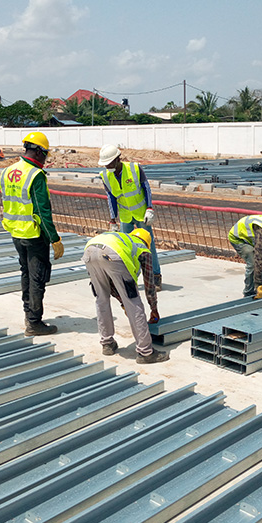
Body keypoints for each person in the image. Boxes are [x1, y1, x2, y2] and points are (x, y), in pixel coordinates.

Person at [0, 131, 64, 336]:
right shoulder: (35, 175)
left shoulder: (8, 171)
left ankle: (28, 314)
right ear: (38, 152)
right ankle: (34, 322)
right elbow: (42, 211)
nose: (45, 159)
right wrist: (54, 239)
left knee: (26, 273)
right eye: (45, 154)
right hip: (33, 234)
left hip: (15, 232)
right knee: (38, 277)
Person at [82, 227, 169, 364]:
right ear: (147, 243)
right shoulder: (143, 249)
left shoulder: (124, 239)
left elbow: (111, 285)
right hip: (113, 254)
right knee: (134, 303)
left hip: (89, 250)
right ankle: (145, 352)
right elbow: (149, 284)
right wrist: (153, 308)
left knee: (101, 299)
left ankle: (107, 344)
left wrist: (122, 302)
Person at [98, 144, 163, 290]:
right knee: (126, 249)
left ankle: (155, 276)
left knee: (148, 245)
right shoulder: (105, 176)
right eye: (105, 164)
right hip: (126, 217)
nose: (107, 166)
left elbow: (146, 188)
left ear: (117, 159)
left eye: (109, 163)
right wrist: (113, 219)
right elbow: (111, 198)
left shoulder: (134, 168)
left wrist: (149, 208)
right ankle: (129, 278)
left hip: (141, 214)